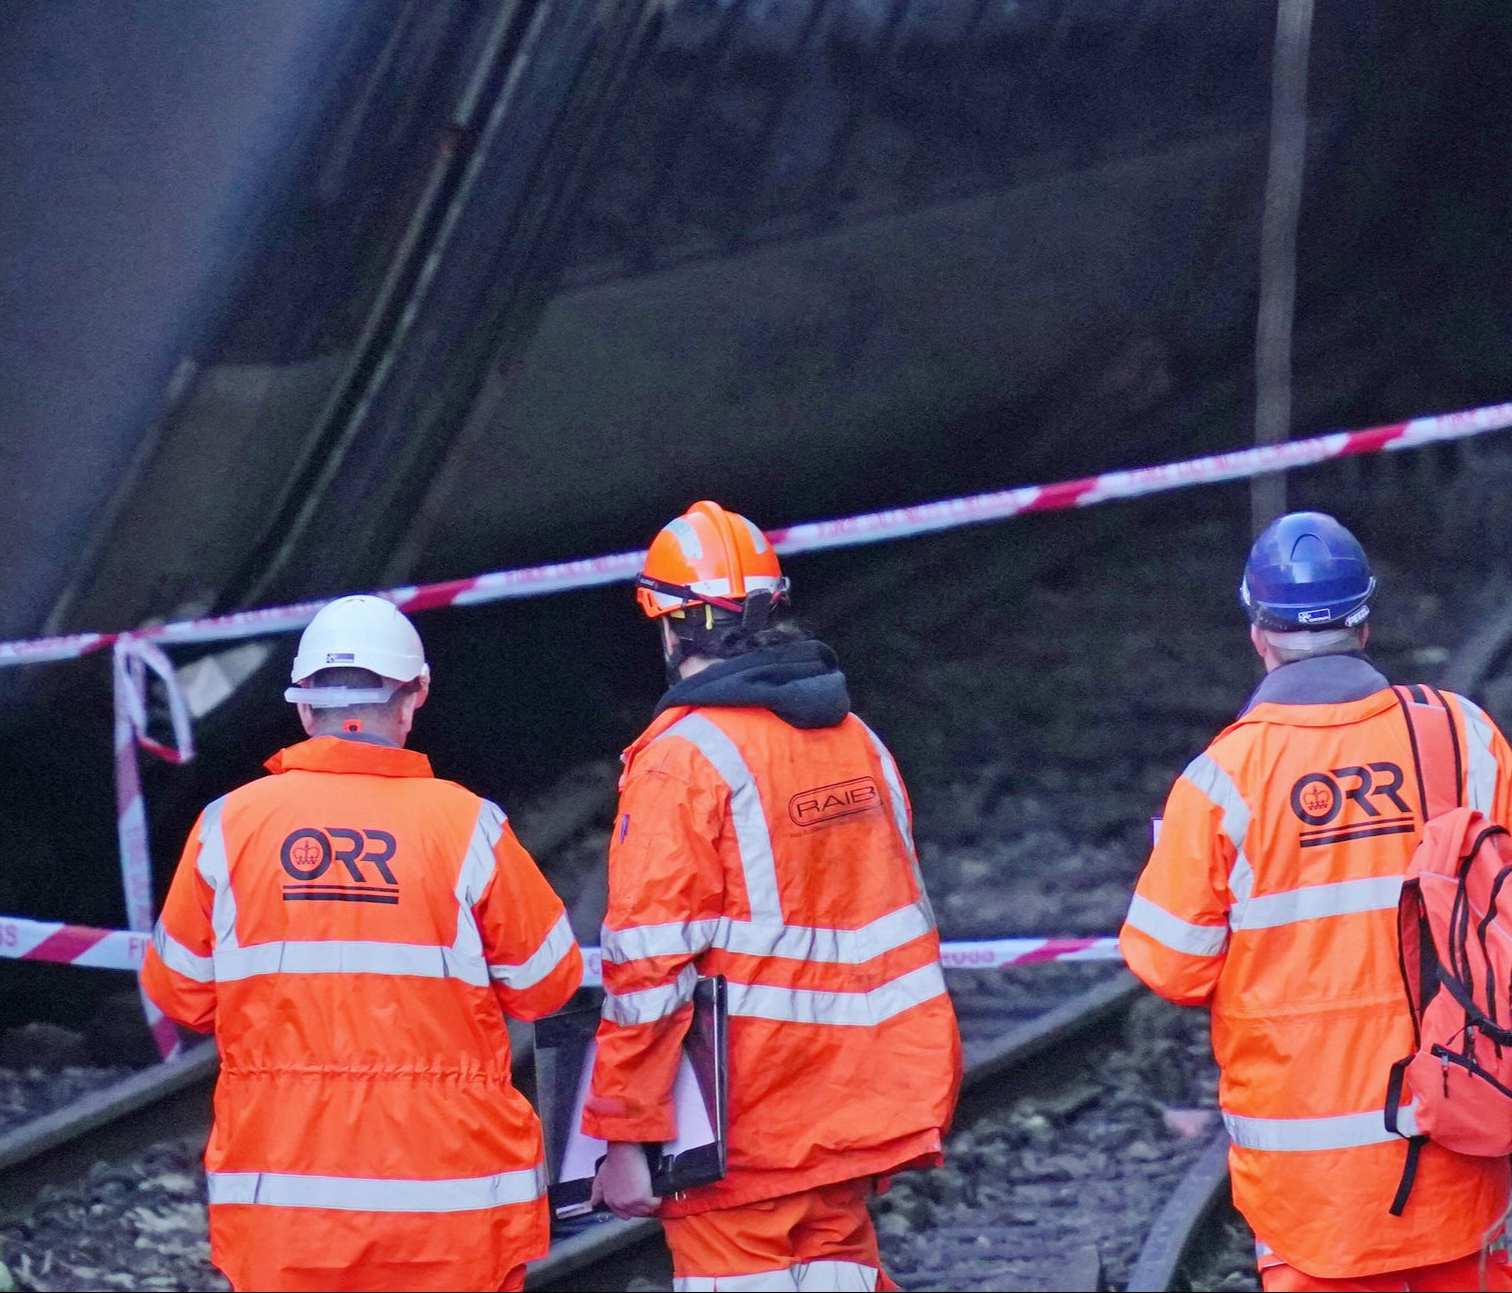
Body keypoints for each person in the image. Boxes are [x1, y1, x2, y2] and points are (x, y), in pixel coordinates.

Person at [1121, 512, 1512, 1293]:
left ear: (1257, 631)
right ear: (1363, 623)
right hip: (1453, 1116)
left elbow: (1172, 967)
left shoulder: (1223, 778)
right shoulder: (1457, 733)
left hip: (1305, 1160)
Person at [140, 595, 584, 1293]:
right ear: (414, 696)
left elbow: (180, 995)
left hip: (286, 1210)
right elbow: (548, 984)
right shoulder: (467, 826)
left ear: (301, 706)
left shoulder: (228, 827)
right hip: (450, 1209)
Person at [587, 500, 960, 1293]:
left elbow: (650, 968)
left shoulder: (680, 761)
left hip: (743, 1122)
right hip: (859, 1104)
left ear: (669, 622)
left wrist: (626, 1131)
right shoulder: (856, 737)